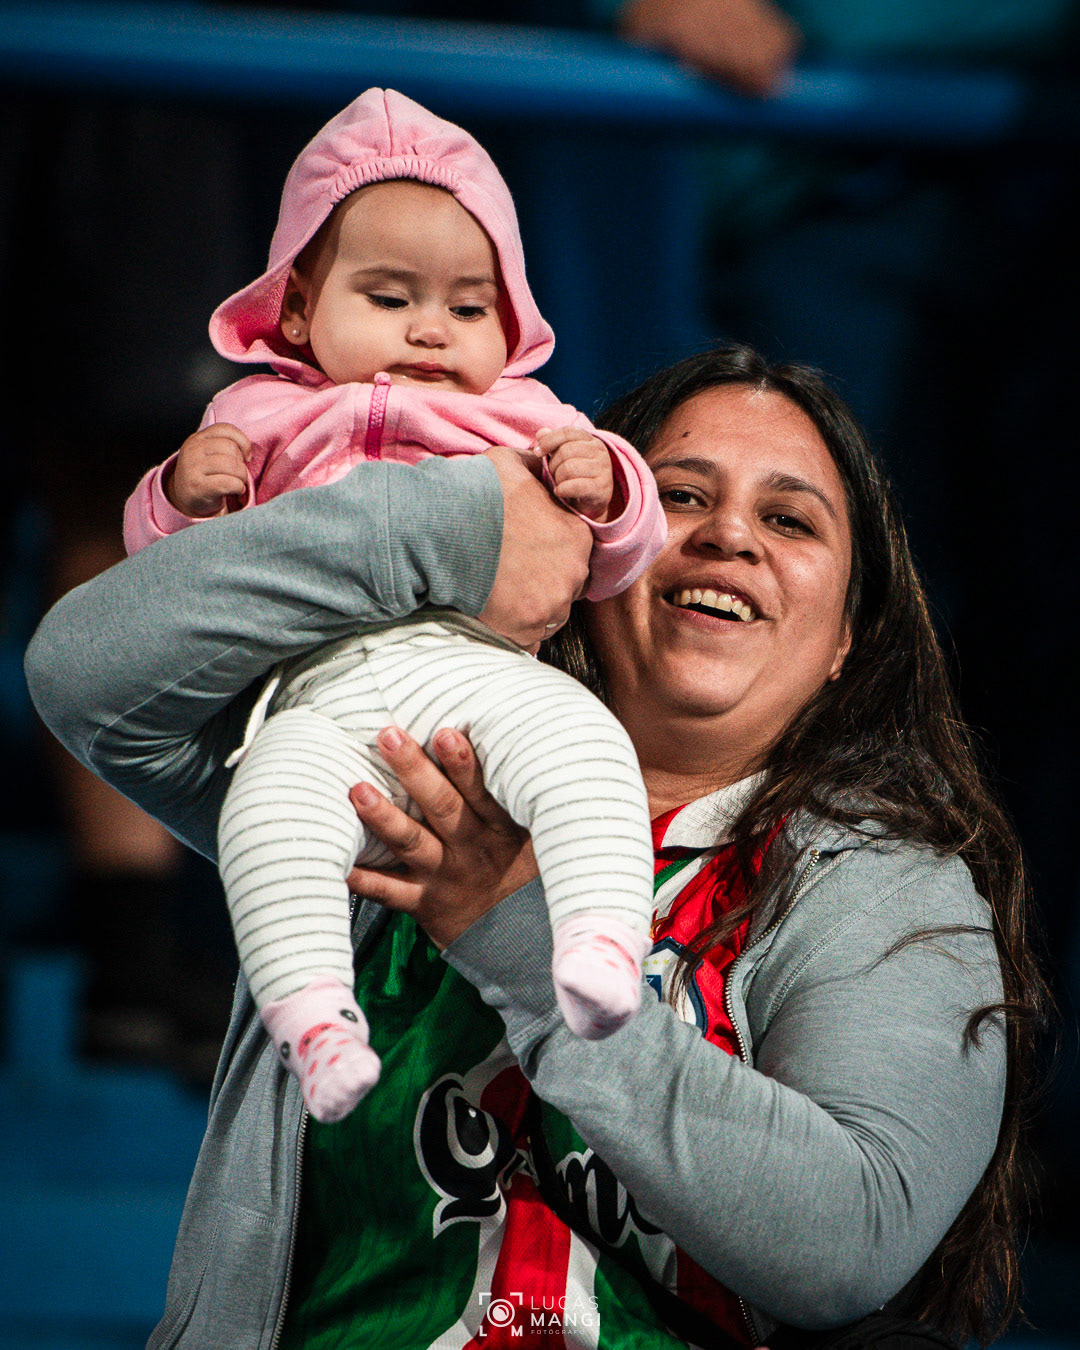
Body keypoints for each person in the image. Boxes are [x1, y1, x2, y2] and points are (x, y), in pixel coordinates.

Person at [24, 345, 1044, 1348]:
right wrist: (462, 528)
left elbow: (848, 1244)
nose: (730, 536)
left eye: (789, 520)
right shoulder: (400, 770)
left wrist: (515, 934)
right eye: (680, 497)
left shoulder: (883, 888)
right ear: (595, 552)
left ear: (845, 641)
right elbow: (86, 672)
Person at [120, 88, 666, 1121]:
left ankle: (600, 943)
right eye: (387, 297)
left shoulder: (527, 416)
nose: (429, 330)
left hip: (479, 678)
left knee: (584, 741)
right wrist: (179, 494)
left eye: (469, 309)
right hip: (312, 701)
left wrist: (610, 484)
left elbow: (620, 555)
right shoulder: (254, 415)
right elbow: (162, 584)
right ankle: (315, 1021)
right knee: (268, 815)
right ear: (295, 311)